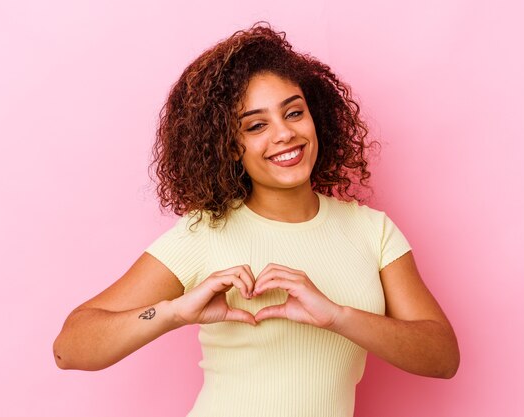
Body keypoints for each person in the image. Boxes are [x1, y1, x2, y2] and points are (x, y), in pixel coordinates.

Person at [53, 23, 459, 417]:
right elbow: (70, 347)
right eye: (257, 125)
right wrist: (174, 312)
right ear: (230, 146)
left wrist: (338, 316)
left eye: (294, 113)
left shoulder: (373, 231)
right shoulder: (205, 233)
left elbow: (442, 356)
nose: (284, 134)